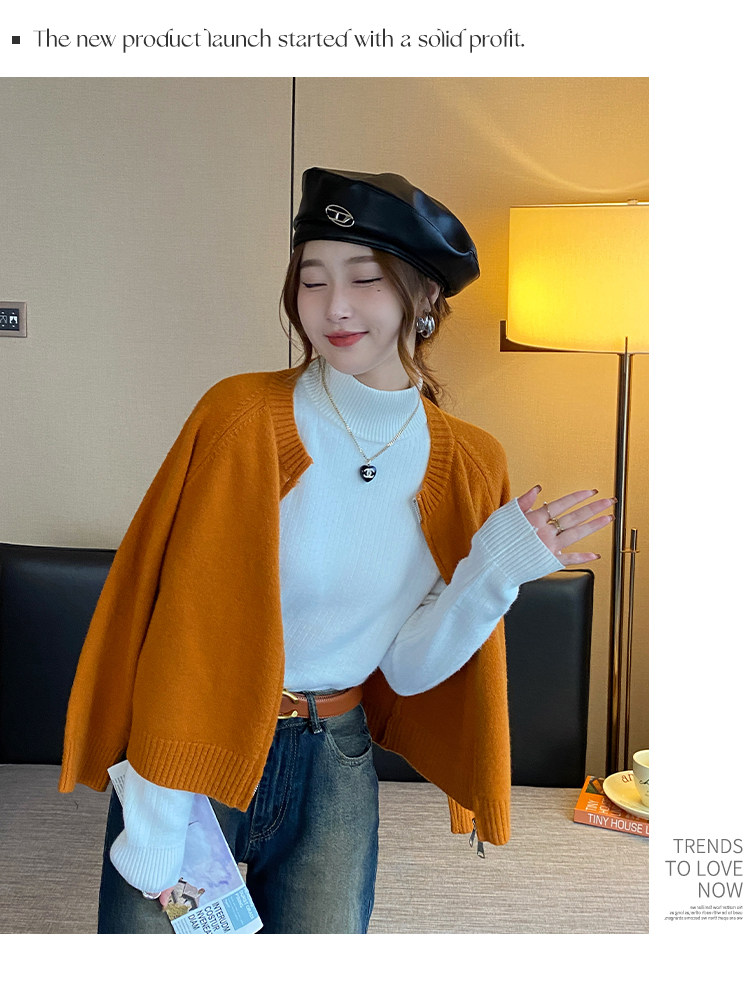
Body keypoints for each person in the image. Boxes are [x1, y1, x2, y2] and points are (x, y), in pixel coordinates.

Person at [59, 167, 614, 934]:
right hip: (195, 747)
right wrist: (156, 798)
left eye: (364, 279)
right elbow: (177, 622)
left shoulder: (470, 460)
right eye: (312, 281)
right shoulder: (240, 416)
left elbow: (408, 669)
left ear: (425, 297)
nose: (334, 307)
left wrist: (495, 572)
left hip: (335, 758)